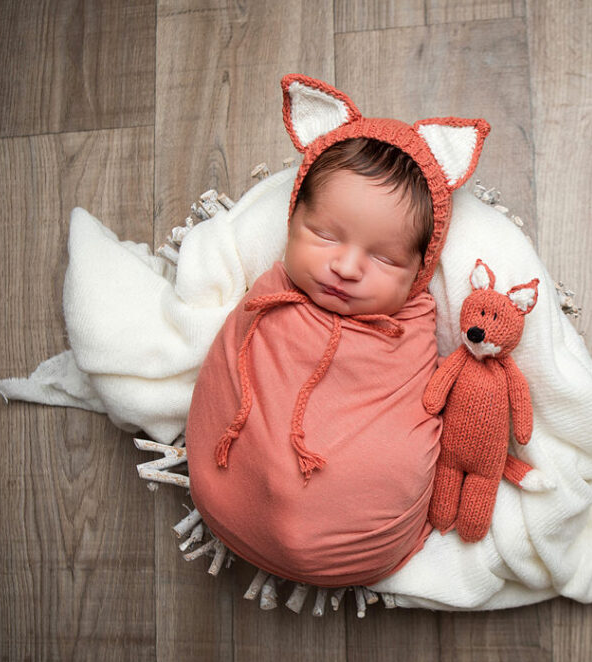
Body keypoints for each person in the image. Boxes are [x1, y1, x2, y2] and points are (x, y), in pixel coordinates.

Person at [185, 74, 489, 587]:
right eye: (324, 235)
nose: (347, 267)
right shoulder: (272, 291)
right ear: (292, 219)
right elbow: (233, 371)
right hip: (226, 503)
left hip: (364, 545)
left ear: (421, 270)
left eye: (385, 258)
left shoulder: (412, 327)